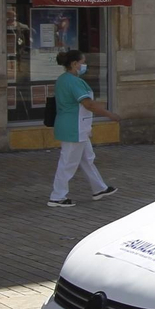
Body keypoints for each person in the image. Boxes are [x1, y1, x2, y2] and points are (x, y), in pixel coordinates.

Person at [48, 49, 120, 208]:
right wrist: (109, 114)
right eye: (82, 62)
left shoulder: (64, 79)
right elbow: (88, 104)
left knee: (87, 159)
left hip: (76, 126)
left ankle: (99, 188)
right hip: (74, 127)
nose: (84, 65)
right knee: (68, 162)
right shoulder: (73, 82)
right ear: (74, 64)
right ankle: (57, 196)